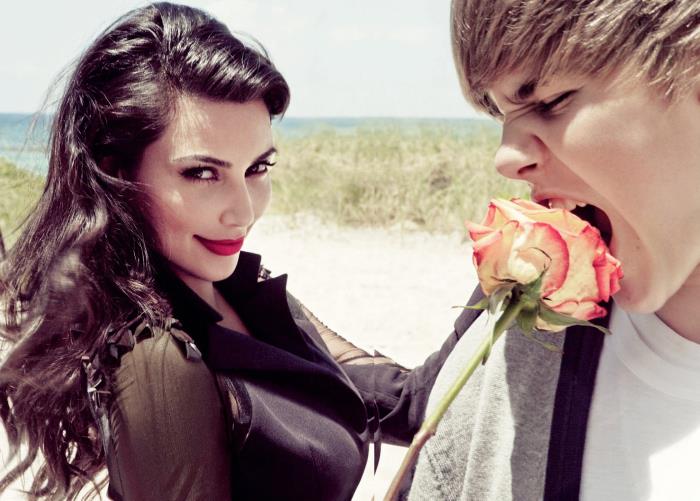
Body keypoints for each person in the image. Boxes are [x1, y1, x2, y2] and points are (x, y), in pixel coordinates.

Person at [0, 3, 465, 500]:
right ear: (119, 173)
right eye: (203, 173)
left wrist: (510, 260)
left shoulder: (243, 292)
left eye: (257, 169)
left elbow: (411, 405)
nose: (243, 211)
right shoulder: (156, 358)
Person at [408, 0, 700, 500]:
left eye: (552, 101)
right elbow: (417, 404)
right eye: (502, 115)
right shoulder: (516, 339)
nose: (506, 157)